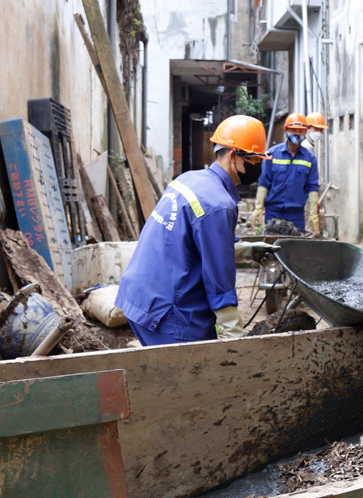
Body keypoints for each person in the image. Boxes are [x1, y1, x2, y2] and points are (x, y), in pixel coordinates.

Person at [116, 115, 275, 345]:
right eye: (254, 159)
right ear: (234, 156)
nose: (258, 167)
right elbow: (219, 278)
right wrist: (235, 334)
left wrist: (245, 250)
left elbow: (193, 244)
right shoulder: (218, 204)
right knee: (194, 367)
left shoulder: (188, 179)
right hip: (168, 313)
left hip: (139, 296)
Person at [253, 113, 321, 234]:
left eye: (300, 131)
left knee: (295, 245)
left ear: (305, 132)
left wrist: (313, 214)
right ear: (286, 130)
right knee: (271, 244)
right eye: (293, 130)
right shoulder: (272, 154)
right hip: (273, 212)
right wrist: (258, 208)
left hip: (296, 214)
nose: (297, 134)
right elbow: (263, 183)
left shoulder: (310, 159)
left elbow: (312, 188)